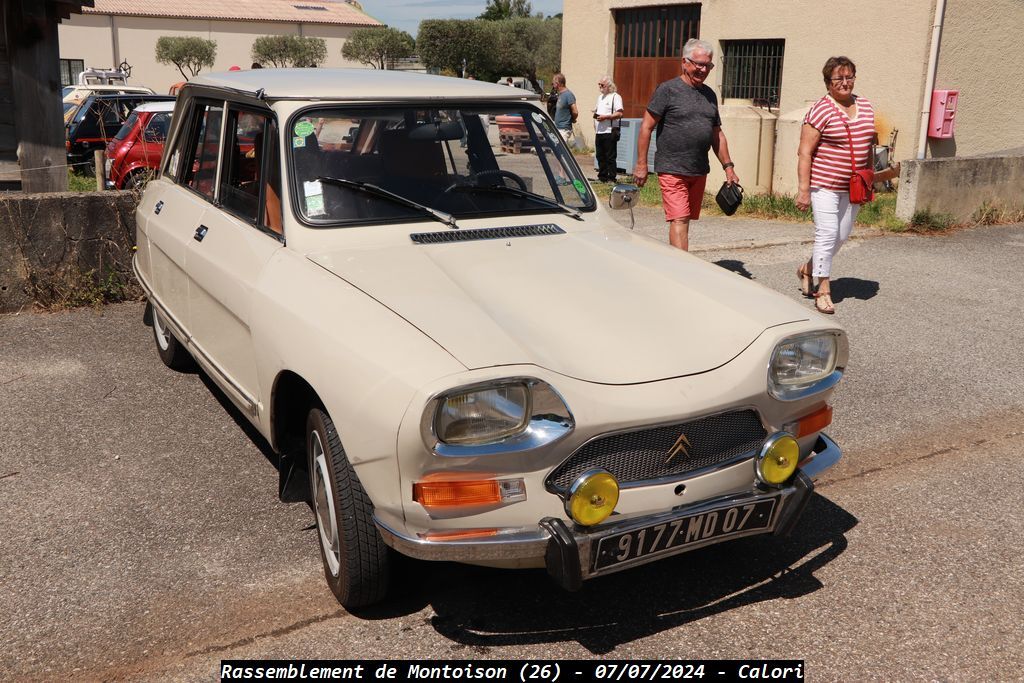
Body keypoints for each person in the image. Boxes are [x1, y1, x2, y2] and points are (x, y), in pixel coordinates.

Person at [795, 56, 901, 314]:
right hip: (824, 184)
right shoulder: (820, 110)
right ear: (828, 83)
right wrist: (804, 189)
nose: (845, 83)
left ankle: (807, 269)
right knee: (828, 233)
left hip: (854, 184)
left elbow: (868, 145)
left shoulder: (865, 106)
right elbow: (805, 152)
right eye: (838, 78)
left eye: (849, 77)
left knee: (840, 237)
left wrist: (869, 178)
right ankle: (823, 290)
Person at [635, 38, 739, 251]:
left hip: (698, 169)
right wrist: (641, 164)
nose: (703, 69)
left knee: (685, 220)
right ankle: (683, 271)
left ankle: (676, 263)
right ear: (684, 62)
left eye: (707, 65)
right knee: (679, 219)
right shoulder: (667, 90)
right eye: (698, 64)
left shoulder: (709, 95)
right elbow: (646, 127)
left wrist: (728, 167)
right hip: (672, 169)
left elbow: (716, 134)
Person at [593, 76, 624, 183]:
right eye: (599, 84)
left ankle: (611, 178)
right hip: (599, 131)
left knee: (610, 156)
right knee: (600, 155)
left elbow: (620, 113)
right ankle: (602, 177)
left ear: (609, 86)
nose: (600, 87)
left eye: (602, 85)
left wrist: (606, 117)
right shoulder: (600, 97)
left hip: (609, 130)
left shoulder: (615, 97)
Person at [552, 73, 578, 141]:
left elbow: (575, 111)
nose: (553, 85)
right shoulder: (561, 94)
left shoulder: (568, 95)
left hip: (564, 129)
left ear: (557, 83)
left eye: (553, 83)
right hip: (558, 128)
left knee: (560, 150)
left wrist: (572, 119)